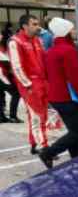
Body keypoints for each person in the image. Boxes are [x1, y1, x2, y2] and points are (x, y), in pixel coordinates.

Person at [40, 18, 78, 169]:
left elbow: (47, 74)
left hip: (55, 97)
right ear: (65, 32)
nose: (74, 31)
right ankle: (48, 153)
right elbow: (74, 77)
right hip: (68, 97)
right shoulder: (69, 50)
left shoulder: (51, 51)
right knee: (77, 131)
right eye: (72, 29)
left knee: (74, 129)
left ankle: (76, 158)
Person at [7, 14, 49, 154]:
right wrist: (28, 85)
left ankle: (35, 143)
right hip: (30, 85)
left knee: (41, 115)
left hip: (42, 82)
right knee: (36, 116)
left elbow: (45, 59)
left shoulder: (37, 40)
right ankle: (42, 146)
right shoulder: (15, 41)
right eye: (34, 24)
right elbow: (16, 66)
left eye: (37, 23)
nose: (38, 26)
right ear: (25, 26)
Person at [0, 32, 21, 123]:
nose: (1, 35)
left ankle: (1, 117)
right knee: (16, 93)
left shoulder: (2, 46)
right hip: (2, 76)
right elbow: (6, 60)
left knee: (0, 95)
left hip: (3, 75)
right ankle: (12, 116)